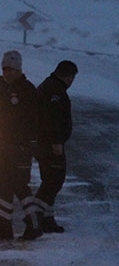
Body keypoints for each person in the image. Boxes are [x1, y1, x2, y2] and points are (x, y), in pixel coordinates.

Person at [0, 50, 43, 241]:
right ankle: (3, 227)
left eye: (10, 69)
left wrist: (27, 144)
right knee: (2, 184)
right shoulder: (6, 89)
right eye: (4, 69)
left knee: (19, 184)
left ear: (18, 69)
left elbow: (34, 121)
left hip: (20, 147)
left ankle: (34, 224)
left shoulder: (26, 89)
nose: (6, 73)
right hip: (6, 147)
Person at [34, 60, 78, 233]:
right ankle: (35, 215)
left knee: (50, 181)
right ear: (69, 77)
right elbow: (52, 120)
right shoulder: (55, 92)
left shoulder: (50, 86)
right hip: (50, 145)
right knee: (53, 182)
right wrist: (56, 142)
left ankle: (46, 219)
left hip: (44, 143)